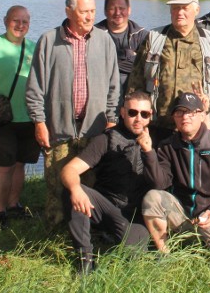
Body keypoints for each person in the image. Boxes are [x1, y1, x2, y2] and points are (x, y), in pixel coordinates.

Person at [26, 0, 121, 228]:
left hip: (94, 130)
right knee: (57, 185)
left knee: (90, 187)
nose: (89, 17)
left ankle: (86, 234)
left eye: (92, 11)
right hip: (59, 129)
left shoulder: (104, 40)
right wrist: (39, 122)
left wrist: (111, 120)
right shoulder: (49, 40)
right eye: (83, 12)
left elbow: (113, 85)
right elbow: (35, 87)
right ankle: (55, 234)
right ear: (68, 11)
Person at [141, 92, 210, 270]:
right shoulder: (168, 146)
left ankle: (201, 245)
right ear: (173, 118)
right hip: (183, 217)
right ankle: (166, 255)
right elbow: (159, 185)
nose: (185, 117)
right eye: (180, 112)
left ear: (202, 115)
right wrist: (149, 152)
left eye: (191, 112)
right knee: (152, 198)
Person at [60, 91, 155, 274]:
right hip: (106, 207)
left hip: (135, 215)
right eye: (132, 112)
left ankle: (113, 237)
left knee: (133, 259)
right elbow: (69, 170)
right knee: (72, 190)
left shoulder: (157, 140)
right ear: (122, 112)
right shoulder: (106, 139)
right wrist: (75, 189)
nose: (138, 119)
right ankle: (85, 259)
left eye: (144, 114)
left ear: (151, 115)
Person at [127, 0, 210, 145]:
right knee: (155, 167)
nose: (180, 12)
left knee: (194, 168)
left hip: (196, 124)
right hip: (158, 123)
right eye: (175, 8)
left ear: (196, 10)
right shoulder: (155, 38)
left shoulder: (209, 42)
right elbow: (136, 81)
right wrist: (134, 114)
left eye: (185, 8)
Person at [0, 5, 40, 228]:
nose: (20, 25)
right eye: (15, 20)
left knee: (19, 164)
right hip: (1, 119)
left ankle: (14, 205)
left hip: (27, 117)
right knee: (3, 166)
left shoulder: (33, 48)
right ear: (5, 20)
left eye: (25, 21)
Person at [94, 0, 149, 96]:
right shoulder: (94, 34)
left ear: (129, 10)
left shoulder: (142, 36)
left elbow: (145, 68)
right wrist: (129, 56)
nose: (117, 13)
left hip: (132, 98)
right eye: (112, 8)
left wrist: (108, 60)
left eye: (122, 8)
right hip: (102, 95)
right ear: (105, 12)